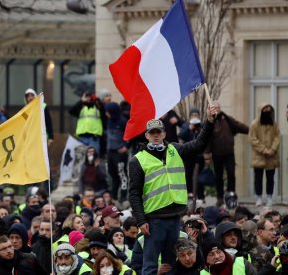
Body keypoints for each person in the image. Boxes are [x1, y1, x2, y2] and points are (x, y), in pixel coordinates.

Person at [128, 105, 217, 275]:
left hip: (175, 217)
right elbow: (134, 193)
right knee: (150, 266)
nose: (155, 135)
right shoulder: (137, 160)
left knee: (170, 265)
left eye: (158, 132)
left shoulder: (175, 149)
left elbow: (198, 144)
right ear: (146, 135)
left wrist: (210, 122)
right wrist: (141, 220)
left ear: (164, 133)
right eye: (152, 133)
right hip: (154, 220)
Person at [206, 101, 249, 206]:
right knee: (219, 176)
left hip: (229, 152)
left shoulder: (227, 119)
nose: (216, 109)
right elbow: (207, 138)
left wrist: (251, 130)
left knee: (231, 174)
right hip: (217, 154)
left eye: (218, 107)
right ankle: (220, 197)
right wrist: (207, 154)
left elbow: (238, 126)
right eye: (214, 108)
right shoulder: (210, 121)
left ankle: (231, 195)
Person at [249, 104, 281, 207]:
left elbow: (277, 137)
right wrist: (264, 150)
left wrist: (272, 149)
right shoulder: (254, 124)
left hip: (271, 156)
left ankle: (269, 197)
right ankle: (258, 197)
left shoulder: (274, 124)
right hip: (259, 156)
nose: (267, 111)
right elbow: (252, 139)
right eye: (265, 109)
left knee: (270, 178)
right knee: (258, 178)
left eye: (269, 110)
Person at [104, 102, 128, 202]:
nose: (106, 113)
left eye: (108, 111)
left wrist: (126, 146)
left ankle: (123, 196)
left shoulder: (123, 121)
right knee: (112, 174)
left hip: (120, 153)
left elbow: (130, 135)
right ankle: (113, 196)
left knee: (122, 174)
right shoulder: (109, 121)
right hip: (110, 152)